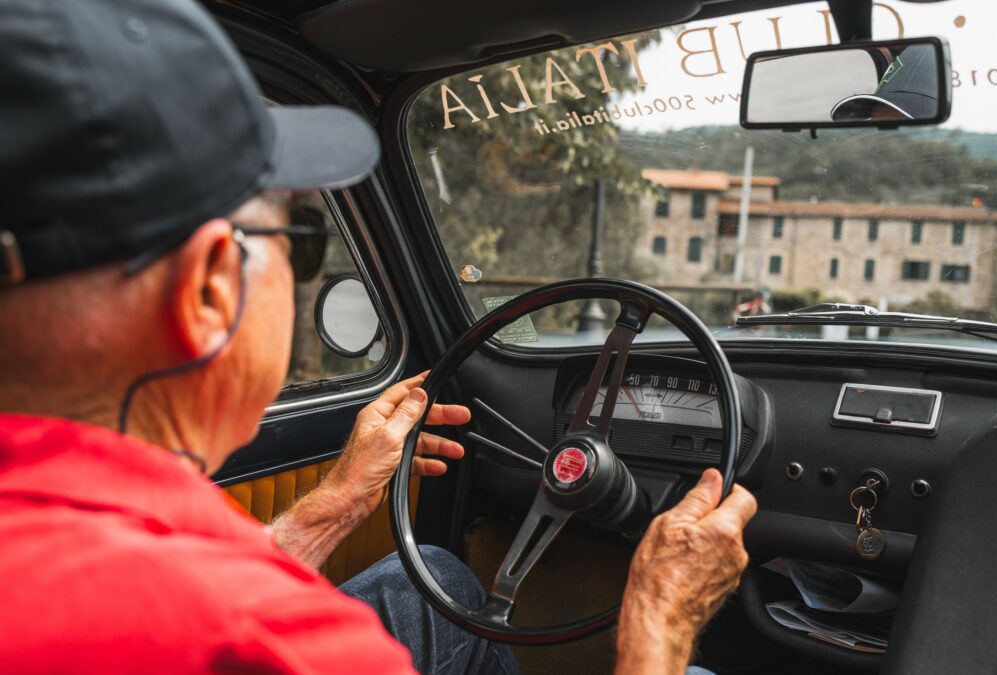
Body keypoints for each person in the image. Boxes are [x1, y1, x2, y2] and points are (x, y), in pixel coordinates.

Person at [0, 0, 757, 673]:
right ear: (208, 288)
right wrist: (657, 622)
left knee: (436, 580)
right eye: (300, 240)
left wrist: (338, 500)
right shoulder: (273, 639)